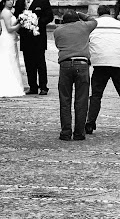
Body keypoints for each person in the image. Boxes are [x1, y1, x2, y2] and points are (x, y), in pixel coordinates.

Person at [85, 5, 120, 135]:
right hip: (119, 64)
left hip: (100, 64)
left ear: (98, 14)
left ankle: (90, 124)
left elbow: (87, 43)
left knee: (96, 96)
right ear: (111, 13)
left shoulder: (92, 26)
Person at [53, 10, 97, 141]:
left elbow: (58, 45)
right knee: (81, 100)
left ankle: (66, 132)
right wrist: (81, 14)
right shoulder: (84, 26)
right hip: (82, 65)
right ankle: (79, 133)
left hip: (65, 65)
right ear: (77, 20)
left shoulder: (58, 31)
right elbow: (94, 21)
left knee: (65, 99)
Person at [13, 0, 54, 95]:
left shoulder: (43, 1)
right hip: (26, 39)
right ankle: (32, 86)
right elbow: (16, 17)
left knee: (40, 63)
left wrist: (37, 22)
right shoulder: (20, 3)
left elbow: (49, 16)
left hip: (38, 38)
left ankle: (43, 87)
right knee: (28, 63)